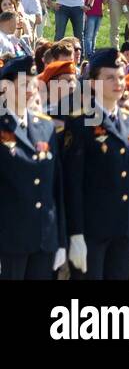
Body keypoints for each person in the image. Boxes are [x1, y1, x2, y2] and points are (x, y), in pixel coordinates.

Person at [63, 49, 129, 280]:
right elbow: (73, 183)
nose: (117, 83)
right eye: (109, 77)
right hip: (92, 228)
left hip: (125, 227)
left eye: (121, 77)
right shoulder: (80, 123)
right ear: (93, 83)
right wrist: (75, 233)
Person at [0, 55, 65, 280]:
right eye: (23, 84)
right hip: (9, 242)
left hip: (44, 240)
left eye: (32, 83)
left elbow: (56, 188)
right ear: (5, 87)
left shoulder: (45, 126)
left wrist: (60, 239)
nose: (30, 90)